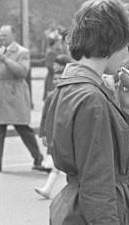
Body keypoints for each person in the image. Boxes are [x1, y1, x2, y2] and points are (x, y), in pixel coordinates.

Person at [44, 0, 129, 224]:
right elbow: (98, 181)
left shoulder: (70, 86)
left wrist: (128, 110)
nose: (127, 54)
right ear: (112, 43)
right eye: (126, 44)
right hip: (96, 210)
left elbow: (107, 151)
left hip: (77, 207)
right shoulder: (92, 98)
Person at [0, 25, 44, 172]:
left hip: (15, 94)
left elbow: (22, 72)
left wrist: (6, 61)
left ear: (13, 36)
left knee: (22, 127)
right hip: (0, 95)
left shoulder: (22, 52)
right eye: (0, 35)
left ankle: (37, 157)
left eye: (4, 35)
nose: (1, 38)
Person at [35, 54, 72, 199]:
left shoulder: (69, 94)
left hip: (65, 135)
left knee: (61, 165)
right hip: (55, 135)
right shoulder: (51, 96)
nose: (56, 81)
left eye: (59, 78)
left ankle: (50, 189)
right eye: (54, 79)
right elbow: (45, 117)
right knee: (57, 165)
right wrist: (43, 133)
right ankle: (48, 189)